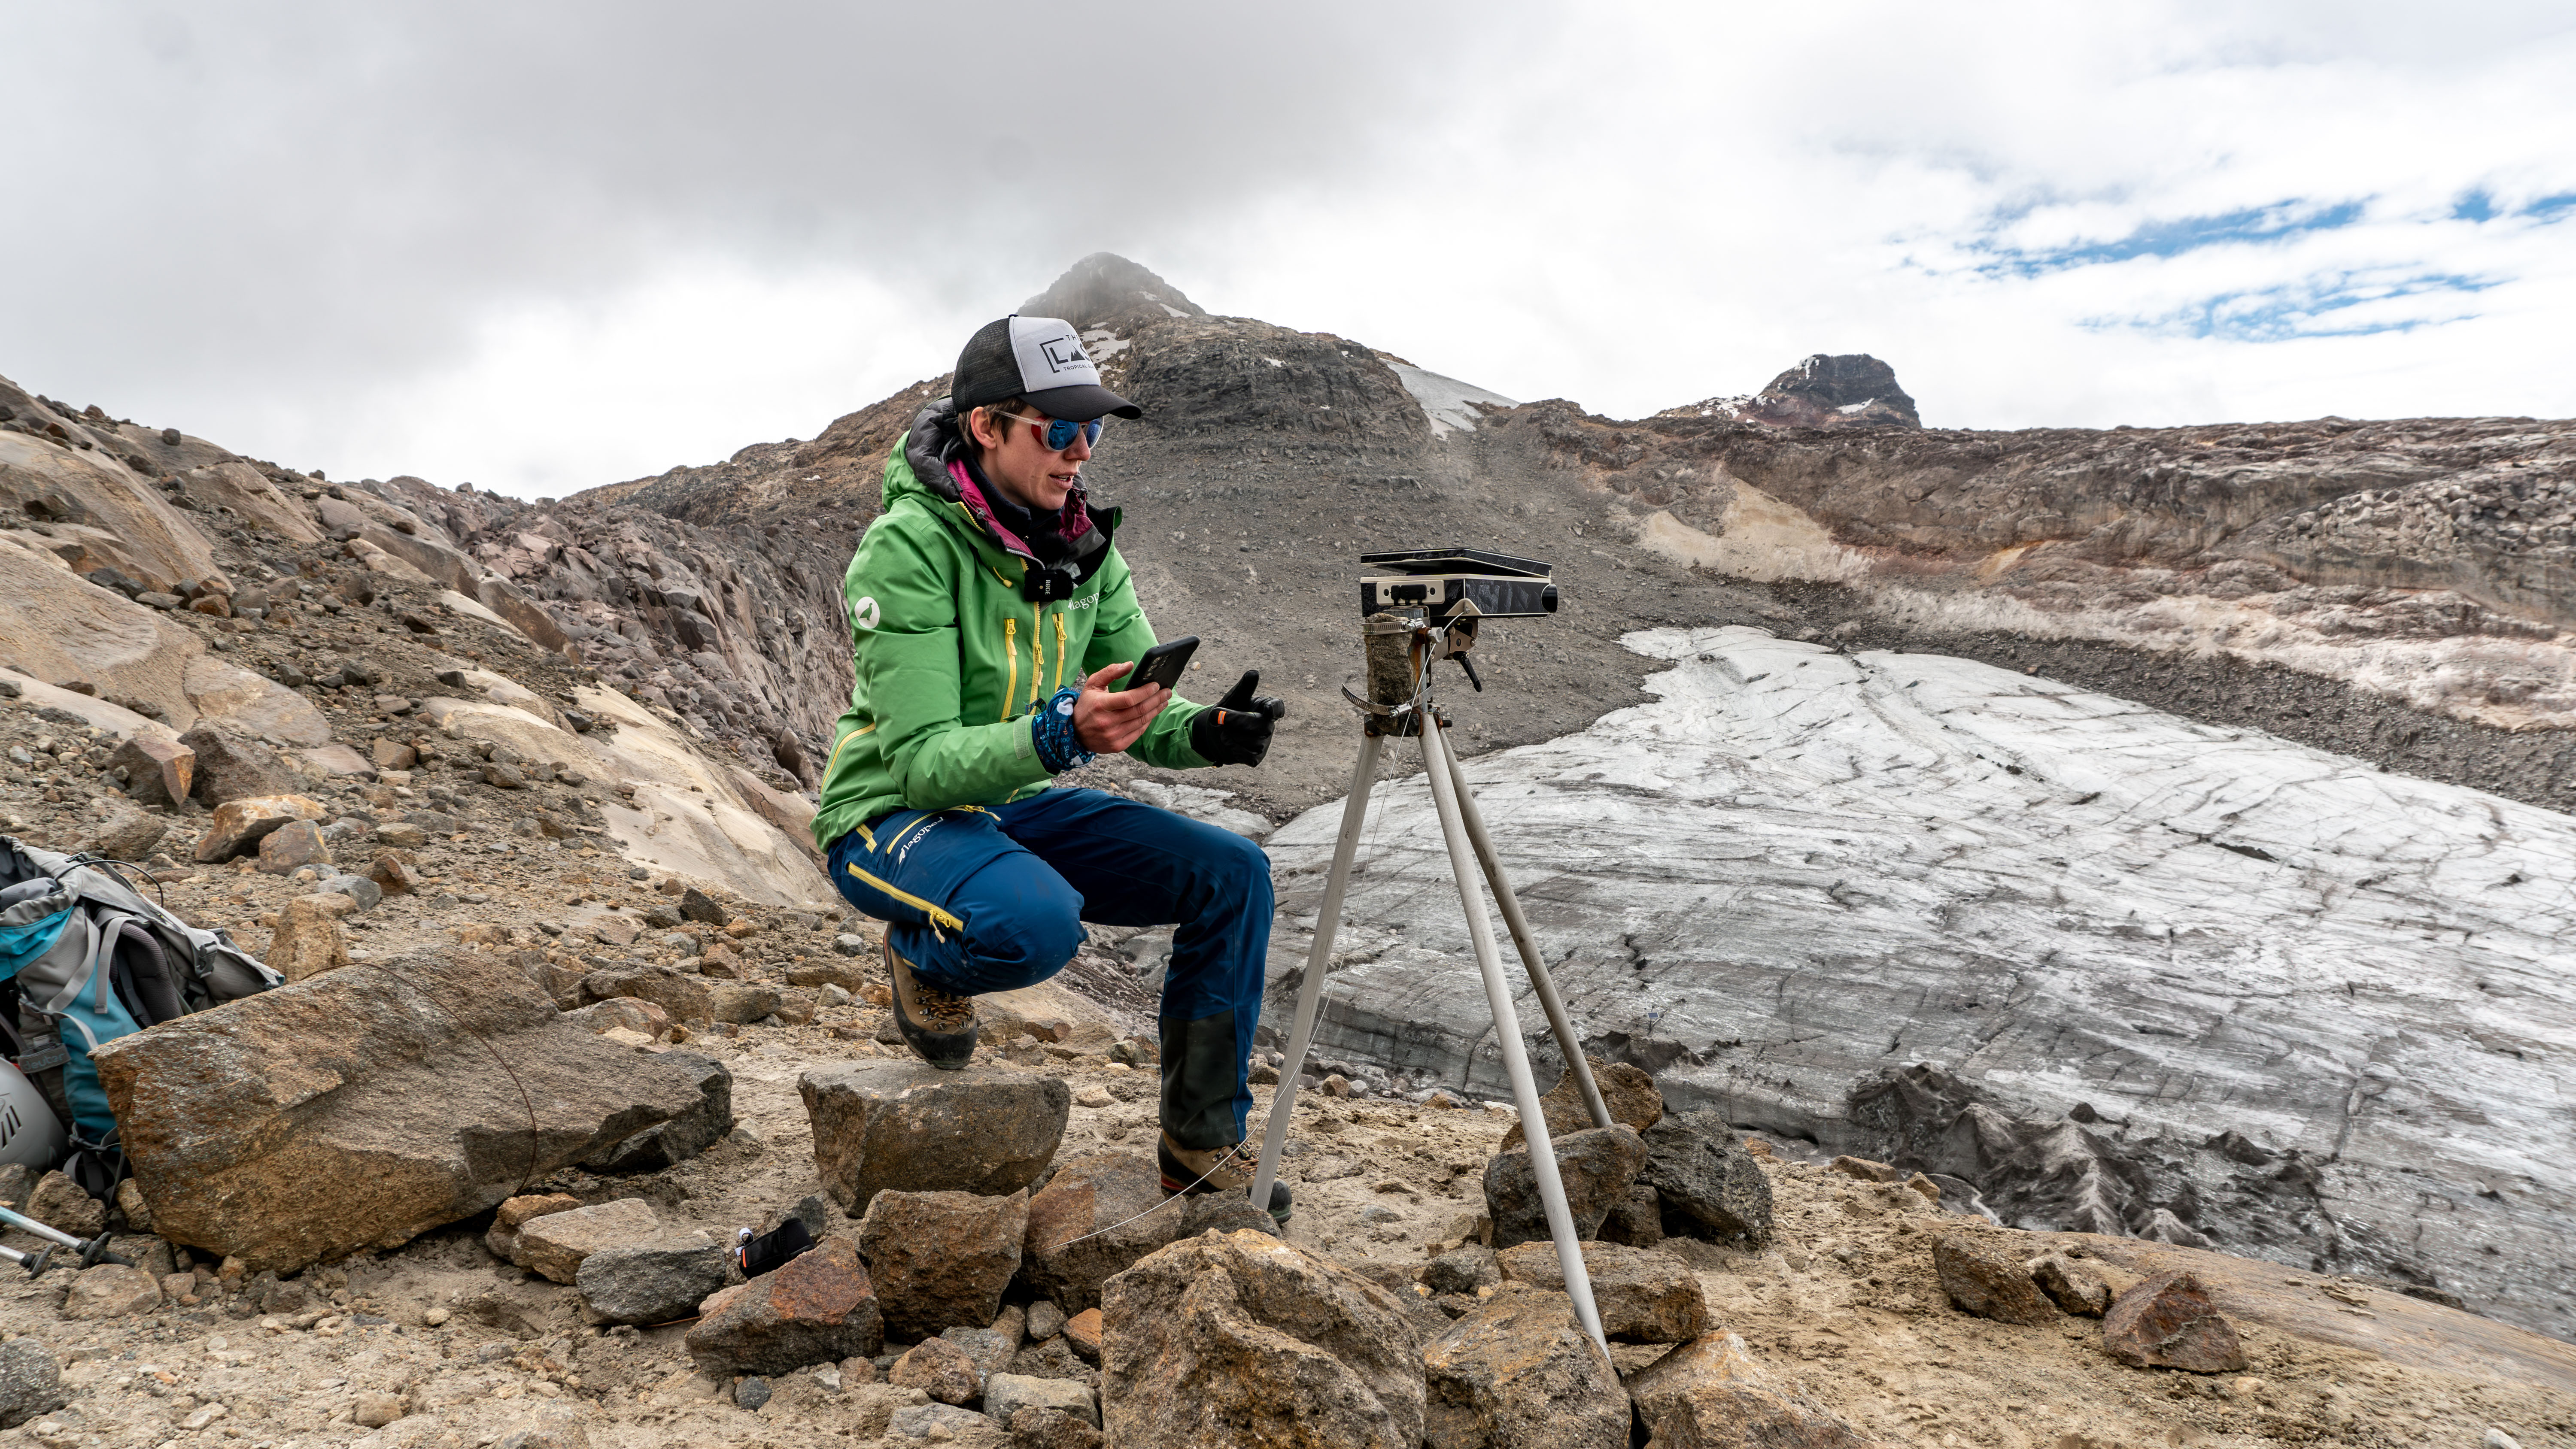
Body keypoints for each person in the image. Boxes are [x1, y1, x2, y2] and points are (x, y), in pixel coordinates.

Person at [811, 314, 1292, 1222]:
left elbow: (1136, 702)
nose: (1079, 453)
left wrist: (1206, 732)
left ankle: (1199, 1145)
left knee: (1236, 874)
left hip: (1009, 799)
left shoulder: (1082, 549)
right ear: (988, 425)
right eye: (1058, 430)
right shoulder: (907, 548)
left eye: (1092, 431)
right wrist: (1060, 732)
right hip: (887, 815)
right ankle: (923, 950)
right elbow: (918, 764)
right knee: (1037, 924)